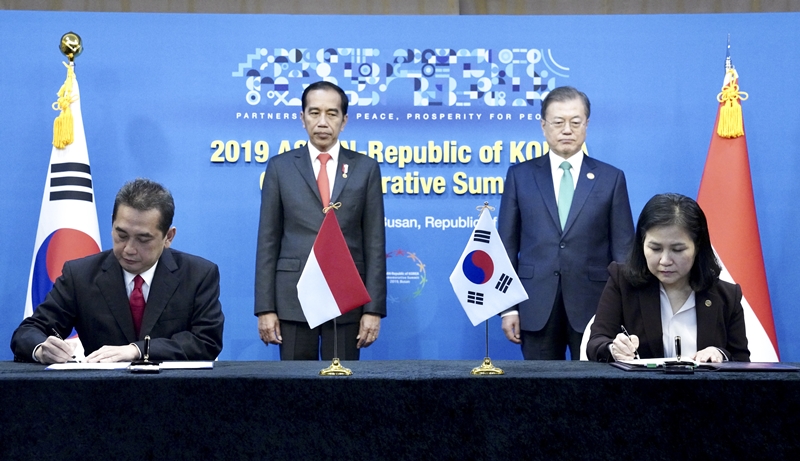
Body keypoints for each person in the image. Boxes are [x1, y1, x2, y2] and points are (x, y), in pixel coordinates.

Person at [10, 178, 225, 363]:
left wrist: (138, 350)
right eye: (121, 235)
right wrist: (42, 349)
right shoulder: (80, 275)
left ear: (168, 237)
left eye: (143, 239)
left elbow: (206, 342)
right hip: (100, 399)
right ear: (112, 225)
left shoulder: (198, 275)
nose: (129, 249)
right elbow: (27, 332)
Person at [498, 86, 634, 360]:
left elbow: (624, 251)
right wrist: (509, 308)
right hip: (535, 305)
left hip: (595, 306)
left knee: (594, 391)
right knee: (541, 390)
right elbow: (505, 249)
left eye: (575, 122)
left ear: (587, 125)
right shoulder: (520, 176)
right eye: (558, 122)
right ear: (543, 126)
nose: (567, 130)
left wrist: (626, 309)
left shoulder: (611, 178)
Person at [255, 81, 386, 360]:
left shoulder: (365, 168)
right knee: (294, 392)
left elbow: (374, 243)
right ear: (302, 118)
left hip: (346, 297)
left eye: (332, 113)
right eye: (314, 113)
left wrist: (373, 309)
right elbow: (268, 241)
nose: (323, 122)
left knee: (342, 393)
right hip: (293, 300)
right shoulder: (280, 167)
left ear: (344, 120)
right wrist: (266, 308)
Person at [587, 193, 750, 362]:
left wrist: (720, 354)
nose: (665, 261)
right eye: (655, 249)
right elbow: (596, 343)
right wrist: (613, 349)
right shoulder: (622, 282)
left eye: (678, 250)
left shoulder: (727, 296)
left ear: (697, 246)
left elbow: (742, 361)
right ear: (642, 243)